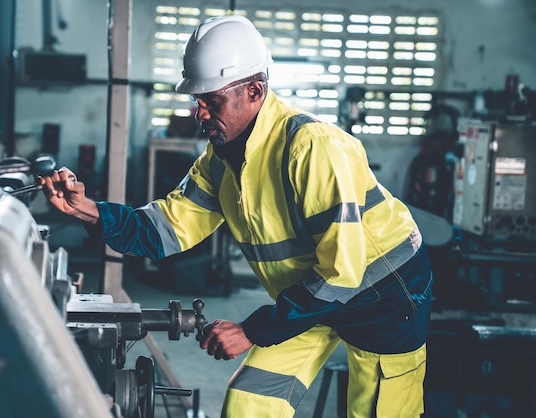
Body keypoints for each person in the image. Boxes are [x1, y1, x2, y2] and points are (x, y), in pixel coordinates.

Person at [40, 15, 433, 418]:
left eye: (212, 100)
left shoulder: (313, 149)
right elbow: (162, 231)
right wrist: (87, 211)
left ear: (255, 91)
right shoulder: (220, 161)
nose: (200, 113)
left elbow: (341, 274)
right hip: (308, 295)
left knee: (378, 412)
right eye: (198, 101)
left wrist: (251, 331)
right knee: (250, 402)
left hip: (382, 294)